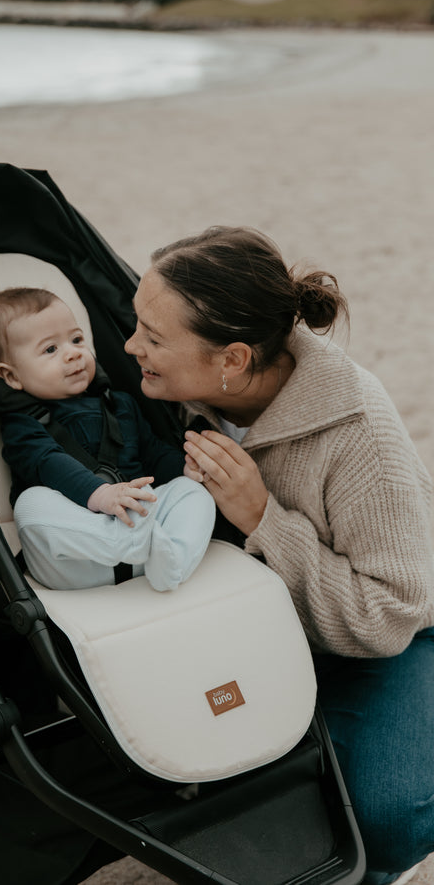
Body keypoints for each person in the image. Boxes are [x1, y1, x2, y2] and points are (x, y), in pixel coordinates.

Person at [124, 225, 434, 885]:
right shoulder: (186, 384)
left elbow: (389, 617)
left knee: (386, 820)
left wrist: (264, 516)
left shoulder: (359, 439)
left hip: (400, 636)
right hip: (266, 620)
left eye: (152, 337)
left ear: (232, 360)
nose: (130, 347)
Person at [0, 286, 215, 593]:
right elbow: (48, 463)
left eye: (76, 340)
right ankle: (133, 542)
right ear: (12, 377)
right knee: (30, 505)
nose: (73, 352)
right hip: (74, 560)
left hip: (148, 544)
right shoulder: (23, 424)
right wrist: (99, 494)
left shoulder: (120, 405)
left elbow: (153, 454)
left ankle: (173, 561)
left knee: (191, 493)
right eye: (50, 349)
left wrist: (184, 470)